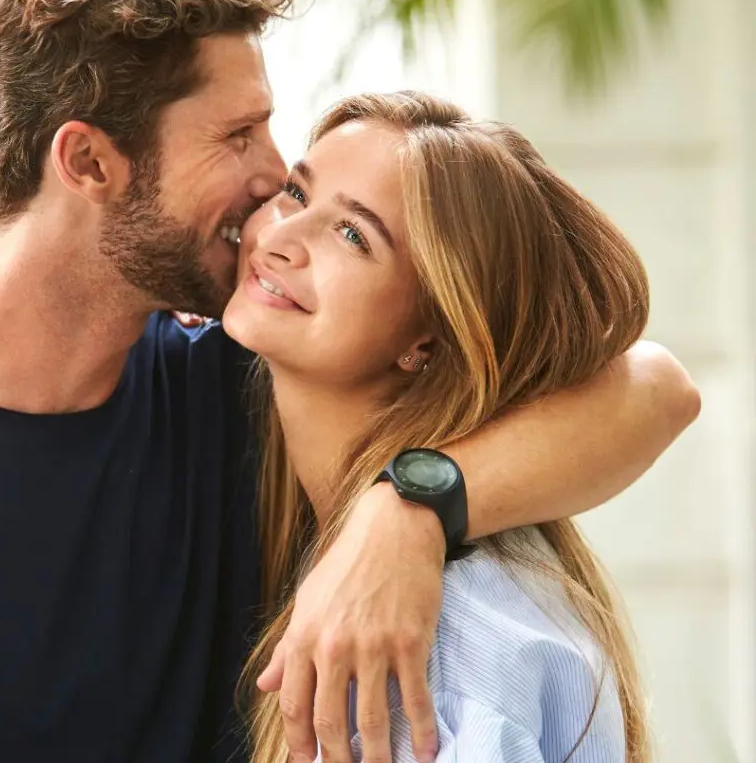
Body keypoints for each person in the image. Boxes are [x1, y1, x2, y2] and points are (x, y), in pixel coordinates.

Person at [0, 0, 698, 763]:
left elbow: (652, 390)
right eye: (238, 137)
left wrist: (409, 512)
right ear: (90, 161)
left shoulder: (238, 389)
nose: (273, 179)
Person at [223, 91, 660, 763]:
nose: (281, 239)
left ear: (426, 340)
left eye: (352, 234)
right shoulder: (343, 559)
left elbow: (660, 384)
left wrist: (409, 508)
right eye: (296, 193)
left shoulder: (445, 650)